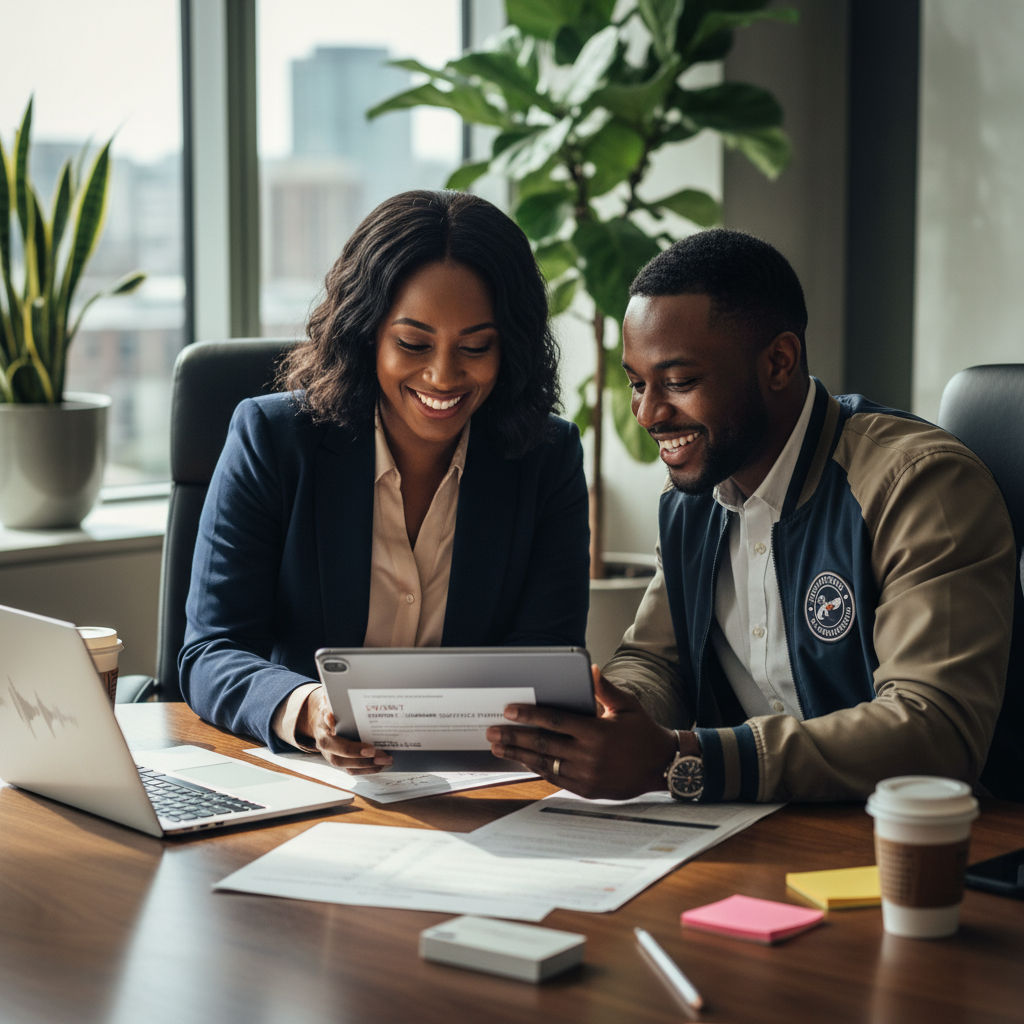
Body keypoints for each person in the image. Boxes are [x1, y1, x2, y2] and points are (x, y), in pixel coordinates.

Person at [487, 228, 1018, 803]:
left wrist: (683, 758)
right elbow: (656, 661)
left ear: (779, 362)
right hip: (766, 827)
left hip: (928, 845)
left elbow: (933, 730)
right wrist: (611, 716)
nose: (647, 413)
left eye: (680, 382)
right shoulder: (692, 501)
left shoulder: (919, 485)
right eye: (638, 384)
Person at [180, 190, 590, 773]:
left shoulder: (546, 458)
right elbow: (210, 652)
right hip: (308, 782)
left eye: (476, 347)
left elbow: (547, 666)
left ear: (510, 348)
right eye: (413, 344)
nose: (443, 376)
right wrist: (308, 708)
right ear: (366, 333)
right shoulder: (272, 439)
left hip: (478, 792)